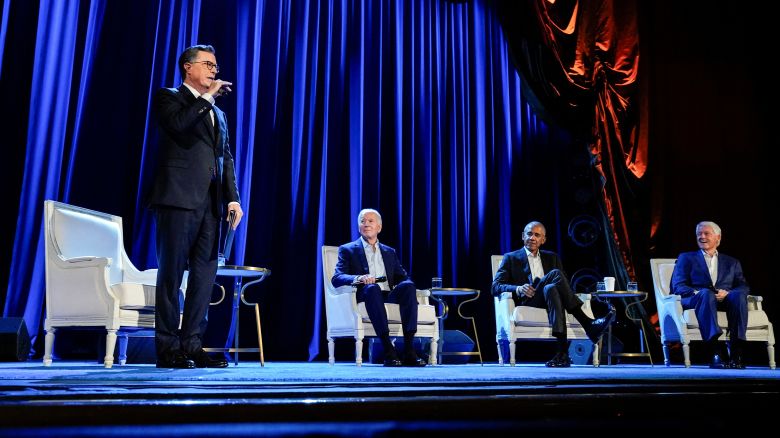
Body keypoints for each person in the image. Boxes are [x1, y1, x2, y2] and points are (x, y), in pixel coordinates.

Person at [148, 44, 243, 368]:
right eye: (208, 64)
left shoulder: (219, 113)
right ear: (188, 67)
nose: (214, 70)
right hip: (176, 198)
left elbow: (225, 158)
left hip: (210, 205)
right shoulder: (169, 97)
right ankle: (167, 348)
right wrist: (207, 99)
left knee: (204, 277)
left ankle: (192, 345)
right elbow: (178, 126)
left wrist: (233, 198)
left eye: (216, 66)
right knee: (172, 275)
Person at [492, 221, 615, 367]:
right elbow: (495, 287)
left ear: (543, 240)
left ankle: (562, 354)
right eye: (529, 234)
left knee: (551, 289)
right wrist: (518, 288)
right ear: (522, 236)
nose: (532, 238)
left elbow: (564, 286)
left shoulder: (552, 258)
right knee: (555, 275)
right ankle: (588, 323)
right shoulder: (510, 258)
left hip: (550, 298)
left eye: (537, 235)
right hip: (529, 299)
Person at [331, 209, 426, 367]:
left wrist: (406, 285)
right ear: (359, 226)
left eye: (370, 221)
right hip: (367, 294)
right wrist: (359, 278)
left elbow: (403, 277)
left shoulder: (389, 251)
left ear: (379, 227)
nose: (366, 224)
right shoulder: (347, 249)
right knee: (372, 288)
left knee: (408, 286)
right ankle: (389, 349)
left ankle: (410, 350)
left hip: (388, 294)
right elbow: (336, 278)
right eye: (362, 221)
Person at [671, 221, 749, 369]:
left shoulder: (732, 262)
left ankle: (737, 351)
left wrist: (728, 293)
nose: (702, 236)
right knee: (706, 294)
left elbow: (743, 286)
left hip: (724, 299)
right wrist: (698, 292)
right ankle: (715, 350)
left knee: (738, 296)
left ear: (718, 238)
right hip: (697, 298)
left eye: (706, 233)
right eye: (699, 234)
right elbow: (678, 286)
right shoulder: (686, 258)